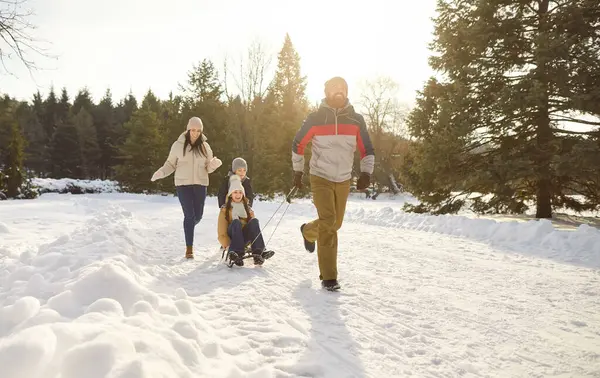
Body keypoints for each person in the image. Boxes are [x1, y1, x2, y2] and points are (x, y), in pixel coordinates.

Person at [291, 76, 375, 291]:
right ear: (327, 93)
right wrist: (298, 171)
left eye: (342, 89)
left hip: (344, 178)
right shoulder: (315, 118)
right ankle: (329, 277)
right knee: (328, 222)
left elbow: (367, 148)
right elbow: (298, 144)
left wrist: (366, 172)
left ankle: (308, 231)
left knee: (335, 224)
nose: (338, 92)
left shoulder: (356, 120)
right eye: (334, 88)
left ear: (346, 93)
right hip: (320, 176)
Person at [151, 116, 222, 259]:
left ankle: (188, 226)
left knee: (198, 216)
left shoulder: (205, 147)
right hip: (183, 185)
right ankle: (189, 248)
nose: (195, 133)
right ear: (188, 129)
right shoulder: (178, 145)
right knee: (189, 215)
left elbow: (208, 167)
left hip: (200, 184)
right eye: (192, 130)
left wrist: (213, 165)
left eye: (198, 130)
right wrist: (161, 172)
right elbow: (170, 164)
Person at [218, 175, 274, 266]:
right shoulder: (225, 209)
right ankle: (236, 253)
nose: (238, 195)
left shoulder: (247, 208)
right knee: (236, 222)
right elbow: (221, 232)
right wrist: (227, 245)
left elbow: (253, 229)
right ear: (230, 194)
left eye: (240, 192)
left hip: (244, 238)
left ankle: (259, 253)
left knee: (254, 221)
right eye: (235, 192)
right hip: (233, 239)